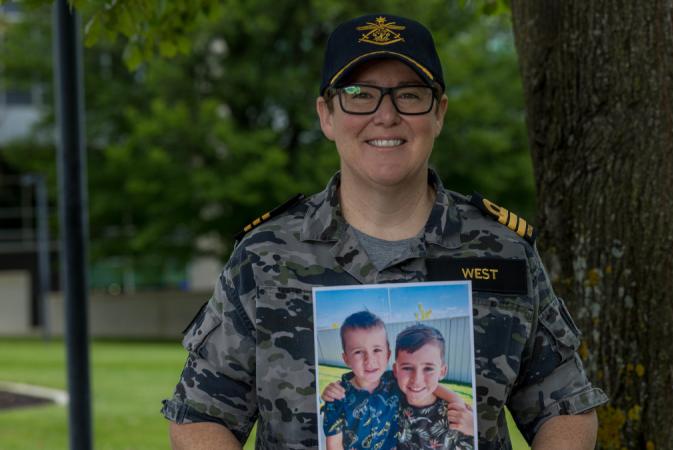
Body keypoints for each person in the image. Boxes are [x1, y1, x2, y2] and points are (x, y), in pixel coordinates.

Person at [163, 12, 608, 450]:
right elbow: (200, 414)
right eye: (359, 95)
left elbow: (565, 406)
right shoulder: (264, 257)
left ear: (439, 113)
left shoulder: (505, 253)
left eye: (410, 95)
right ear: (327, 115)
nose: (386, 115)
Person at [321, 311, 471, 450]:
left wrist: (456, 400)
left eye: (377, 350)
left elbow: (429, 386)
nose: (369, 359)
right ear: (346, 358)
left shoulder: (392, 381)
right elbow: (333, 445)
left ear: (387, 354)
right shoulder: (337, 398)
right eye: (358, 352)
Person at [392, 324, 473, 450]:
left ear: (442, 372)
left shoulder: (456, 415)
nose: (417, 379)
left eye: (428, 368)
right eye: (407, 368)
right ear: (395, 371)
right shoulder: (389, 399)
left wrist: (474, 429)